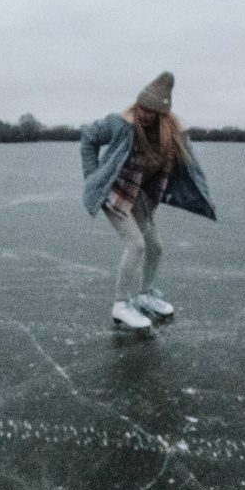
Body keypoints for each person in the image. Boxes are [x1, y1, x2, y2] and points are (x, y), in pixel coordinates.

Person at [78, 72, 215, 333]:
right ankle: (121, 306)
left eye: (152, 111)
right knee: (136, 244)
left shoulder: (172, 135)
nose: (145, 114)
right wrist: (93, 177)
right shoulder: (120, 124)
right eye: (142, 107)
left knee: (155, 246)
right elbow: (89, 138)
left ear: (162, 114)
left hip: (138, 191)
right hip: (113, 188)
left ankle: (143, 295)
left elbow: (191, 168)